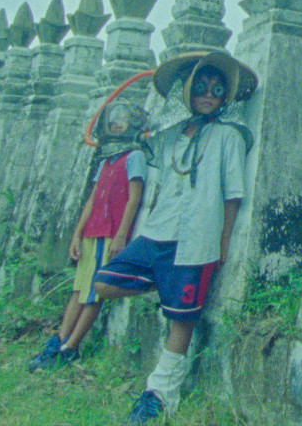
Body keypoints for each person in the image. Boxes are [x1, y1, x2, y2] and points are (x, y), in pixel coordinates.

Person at [92, 50, 255, 424]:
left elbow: (232, 194)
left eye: (217, 89)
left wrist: (223, 242)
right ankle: (163, 285)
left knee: (182, 320)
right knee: (104, 283)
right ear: (186, 92)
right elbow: (159, 183)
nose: (208, 95)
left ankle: (159, 395)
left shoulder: (229, 136)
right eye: (200, 87)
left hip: (198, 238)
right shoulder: (169, 137)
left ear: (225, 96)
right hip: (157, 231)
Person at [26, 100, 148, 371]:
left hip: (110, 234)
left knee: (94, 294)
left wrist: (120, 237)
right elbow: (93, 198)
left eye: (124, 118)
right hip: (93, 232)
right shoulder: (106, 158)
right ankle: (58, 341)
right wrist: (77, 234)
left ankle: (71, 348)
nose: (117, 123)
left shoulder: (135, 156)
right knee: (78, 290)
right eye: (113, 118)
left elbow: (134, 199)